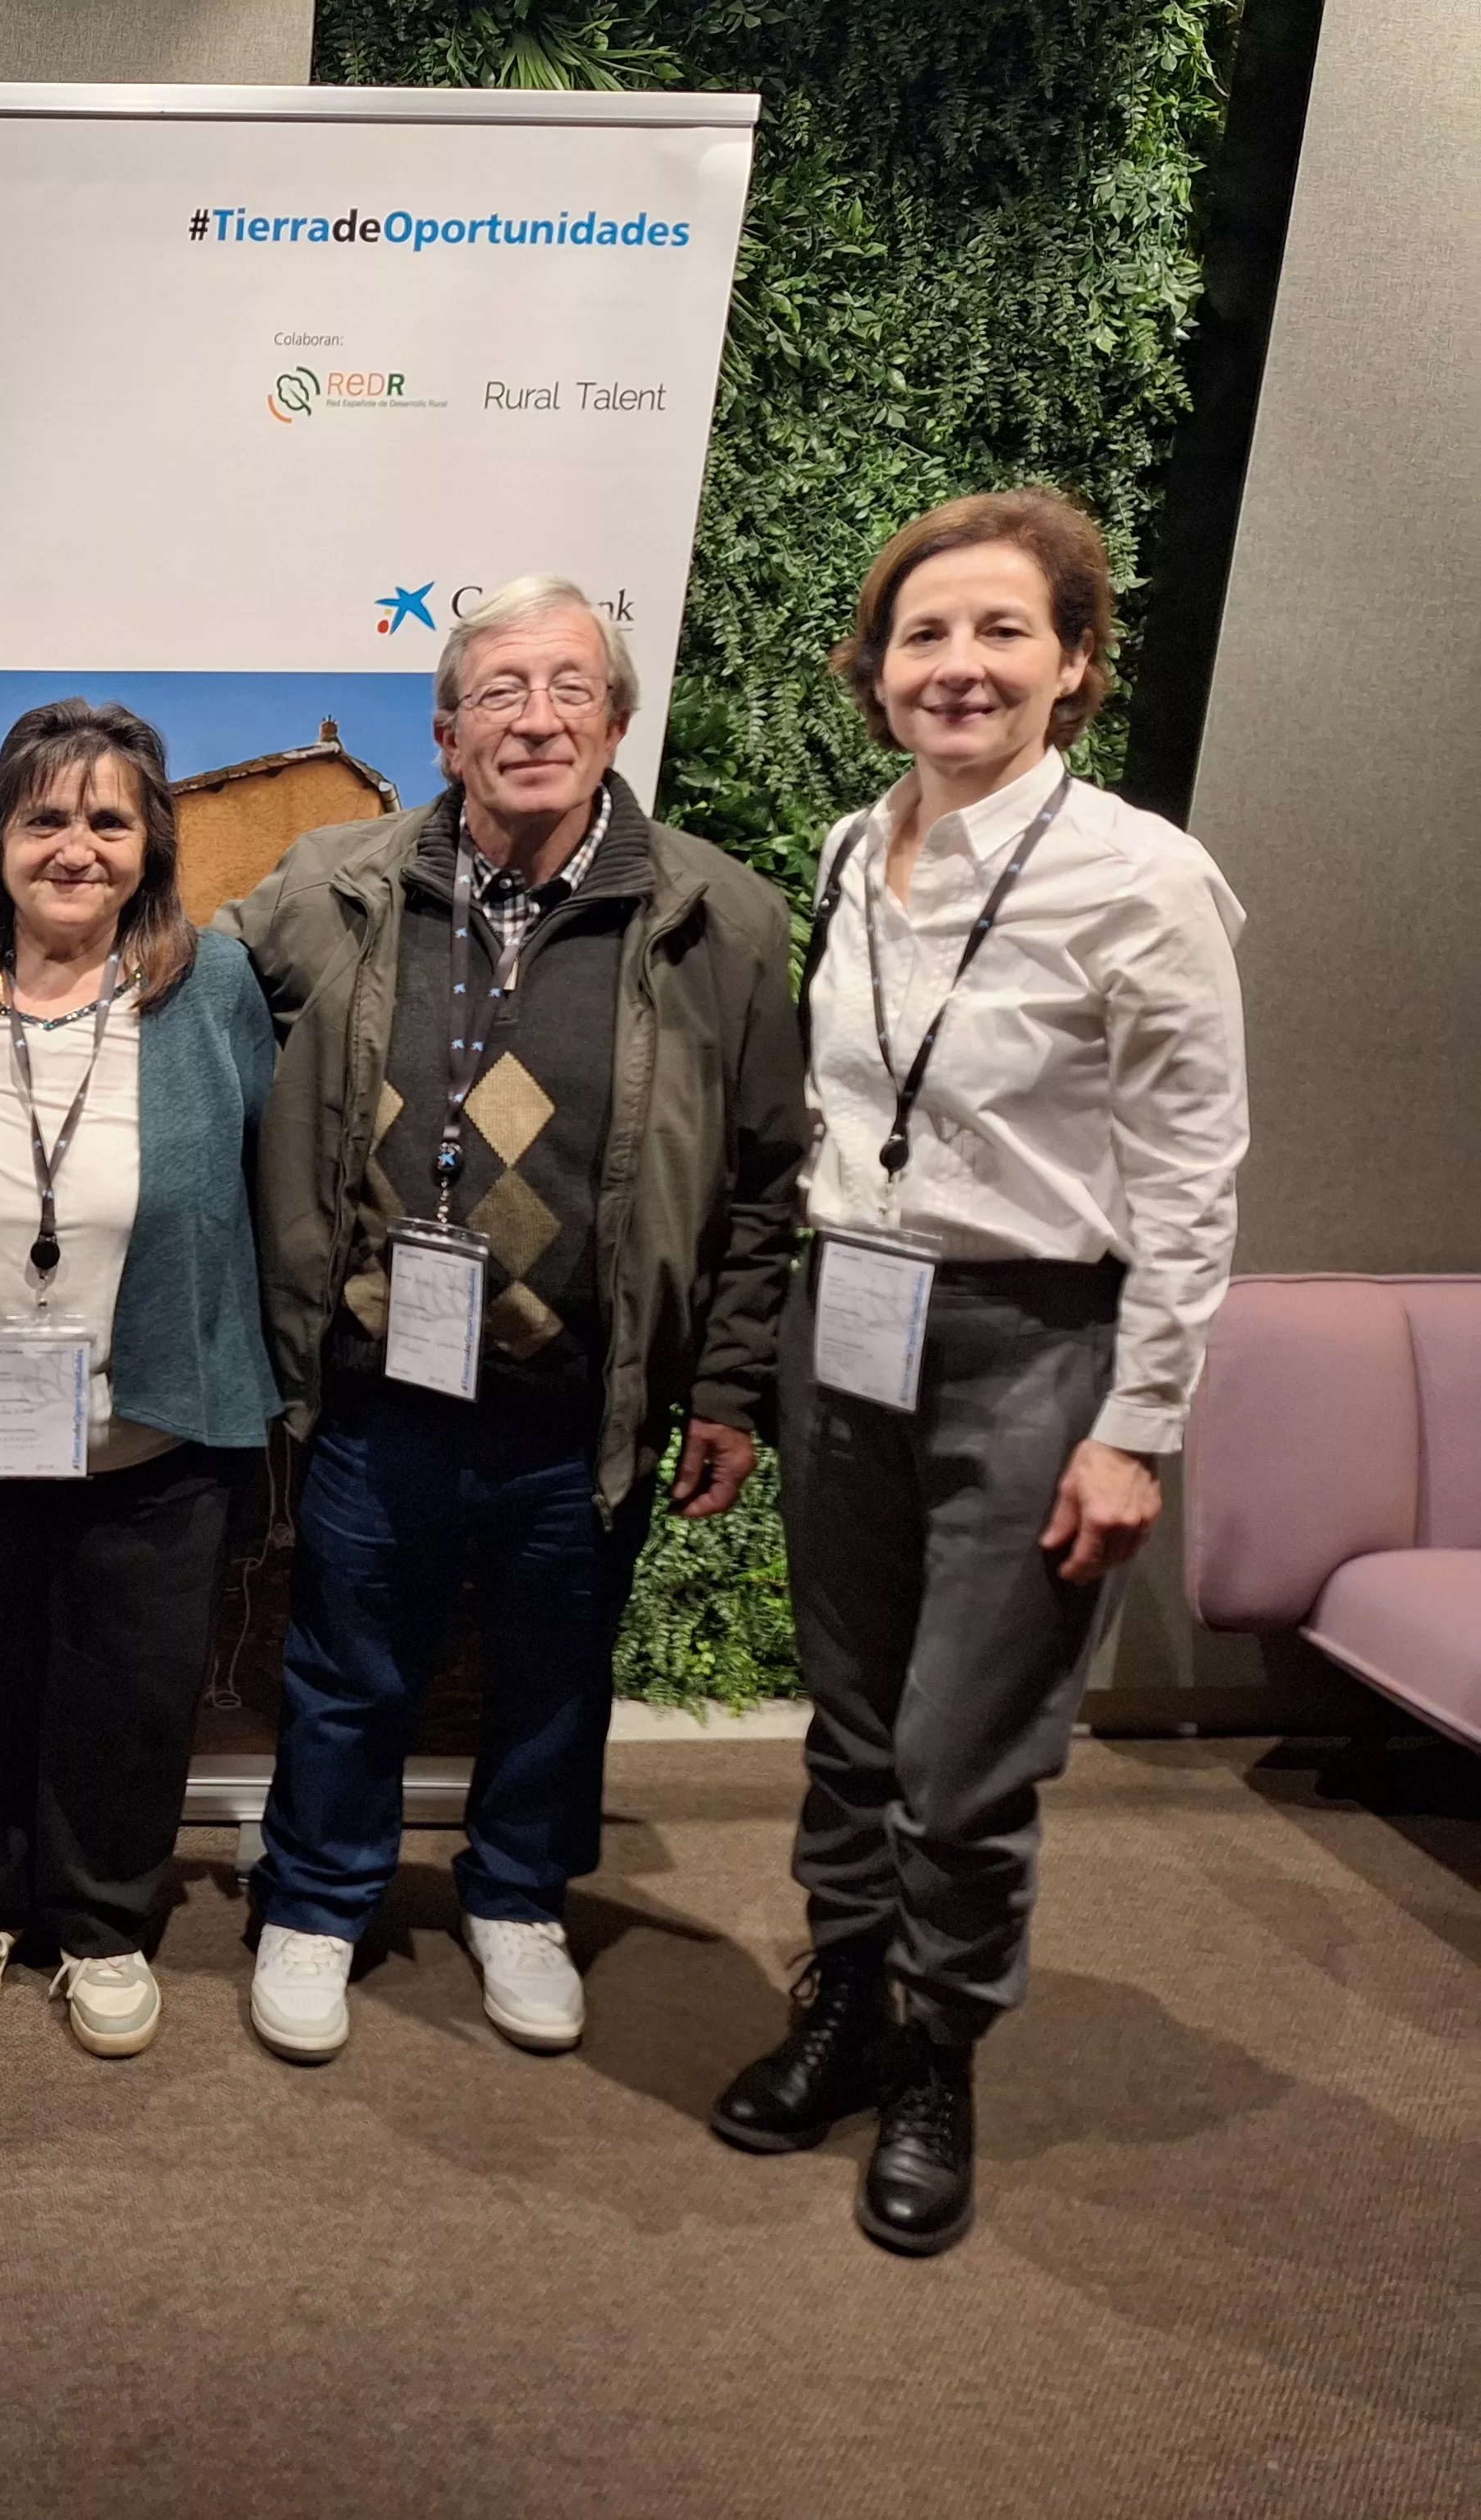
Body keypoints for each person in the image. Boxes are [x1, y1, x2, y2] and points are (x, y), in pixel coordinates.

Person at [708, 489, 1247, 2256]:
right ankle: (846, 2003)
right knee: (856, 1717)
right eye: (925, 634)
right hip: (851, 1326)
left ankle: (938, 2050)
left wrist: (1137, 1428)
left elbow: (1192, 1177)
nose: (960, 665)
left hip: (1036, 1348)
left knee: (964, 1749)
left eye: (1004, 631)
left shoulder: (1143, 878)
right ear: (877, 670)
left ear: (1074, 663)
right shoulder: (853, 851)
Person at [215, 576, 804, 2065]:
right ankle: (316, 1899)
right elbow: (175, 975)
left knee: (556, 1671)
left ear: (616, 720)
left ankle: (520, 1898)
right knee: (348, 1666)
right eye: (499, 693)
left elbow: (764, 1178)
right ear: (446, 734)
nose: (534, 719)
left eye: (567, 689)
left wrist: (730, 1385)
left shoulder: (719, 920)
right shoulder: (332, 884)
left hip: (581, 1399)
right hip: (377, 1385)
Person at [0, 702, 278, 2057]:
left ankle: (104, 1923)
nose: (76, 847)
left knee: (131, 1698)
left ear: (151, 844)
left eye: (109, 820)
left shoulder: (210, 988)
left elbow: (268, 1172)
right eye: (45, 818)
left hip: (147, 1440)